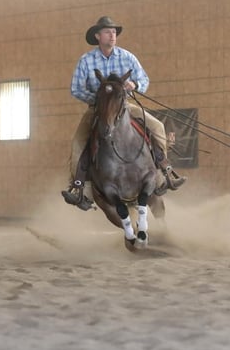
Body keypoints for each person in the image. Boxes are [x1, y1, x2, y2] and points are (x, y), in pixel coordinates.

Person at [61, 16, 186, 210]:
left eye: (114, 32)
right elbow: (76, 89)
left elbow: (144, 79)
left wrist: (134, 84)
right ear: (98, 36)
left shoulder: (127, 57)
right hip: (97, 109)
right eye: (107, 32)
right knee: (78, 142)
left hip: (125, 106)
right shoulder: (86, 60)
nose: (112, 35)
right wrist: (100, 98)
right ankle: (79, 188)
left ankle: (165, 173)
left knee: (157, 127)